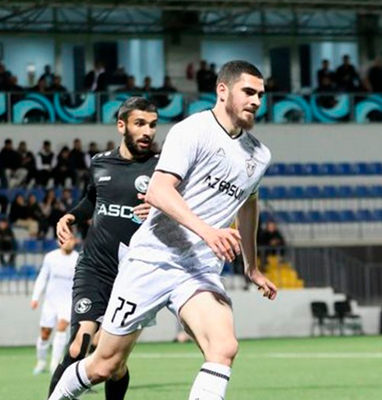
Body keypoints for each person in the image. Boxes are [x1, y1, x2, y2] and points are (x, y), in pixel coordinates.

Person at [47, 60, 277, 400]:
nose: (256, 101)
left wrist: (252, 267)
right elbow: (157, 191)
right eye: (248, 92)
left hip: (198, 270)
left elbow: (248, 204)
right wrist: (208, 232)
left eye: (260, 94)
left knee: (224, 347)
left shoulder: (259, 154)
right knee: (105, 365)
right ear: (222, 90)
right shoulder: (193, 130)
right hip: (152, 259)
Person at [47, 97, 160, 400]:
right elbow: (92, 199)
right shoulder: (100, 162)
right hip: (95, 268)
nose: (147, 131)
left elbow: (181, 209)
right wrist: (71, 216)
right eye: (140, 124)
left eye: (152, 125)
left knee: (114, 365)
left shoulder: (162, 168)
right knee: (79, 345)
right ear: (122, 126)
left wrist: (160, 210)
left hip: (136, 275)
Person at [31, 236, 79, 375]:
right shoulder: (50, 257)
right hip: (51, 301)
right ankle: (41, 361)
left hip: (68, 301)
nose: (69, 242)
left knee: (62, 328)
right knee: (45, 333)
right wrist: (35, 297)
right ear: (60, 241)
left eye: (71, 239)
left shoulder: (78, 258)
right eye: (66, 239)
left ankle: (55, 364)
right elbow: (42, 277)